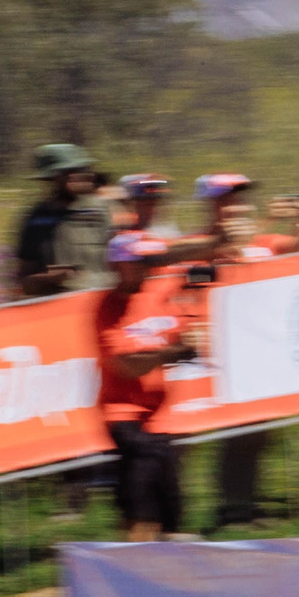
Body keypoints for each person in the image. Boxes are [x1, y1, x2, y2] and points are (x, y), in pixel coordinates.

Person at [181, 175, 299, 528]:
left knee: (256, 434)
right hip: (215, 352)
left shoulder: (264, 240)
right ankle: (214, 511)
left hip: (258, 348)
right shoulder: (194, 245)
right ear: (213, 205)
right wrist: (266, 221)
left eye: (242, 198)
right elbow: (207, 267)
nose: (238, 204)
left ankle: (244, 505)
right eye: (229, 199)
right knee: (207, 437)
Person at [95, 230, 201, 540]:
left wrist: (189, 339)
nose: (145, 267)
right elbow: (126, 366)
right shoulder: (107, 308)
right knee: (145, 466)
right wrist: (172, 351)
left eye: (148, 261)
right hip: (123, 413)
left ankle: (169, 542)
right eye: (137, 261)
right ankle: (138, 549)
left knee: (168, 490)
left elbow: (184, 339)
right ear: (117, 265)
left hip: (160, 415)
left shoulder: (158, 295)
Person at [13, 143, 116, 296]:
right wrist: (48, 279)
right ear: (52, 178)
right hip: (61, 310)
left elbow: (124, 261)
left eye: (82, 169)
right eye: (70, 172)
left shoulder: (101, 211)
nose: (81, 175)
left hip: (104, 304)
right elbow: (25, 283)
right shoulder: (35, 219)